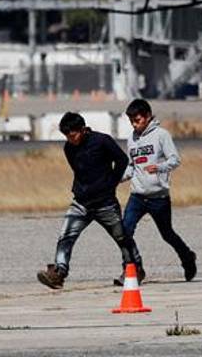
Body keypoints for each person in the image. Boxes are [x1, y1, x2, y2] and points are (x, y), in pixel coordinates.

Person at [37, 112, 140, 289]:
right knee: (66, 237)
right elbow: (78, 171)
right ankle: (59, 273)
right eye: (66, 136)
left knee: (122, 237)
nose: (70, 139)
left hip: (105, 203)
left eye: (72, 135)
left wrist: (111, 182)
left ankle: (134, 269)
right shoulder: (68, 148)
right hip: (81, 203)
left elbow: (122, 160)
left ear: (83, 130)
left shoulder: (102, 141)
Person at [118, 98, 197, 285]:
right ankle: (132, 269)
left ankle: (187, 258)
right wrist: (116, 178)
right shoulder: (132, 139)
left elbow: (175, 160)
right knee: (124, 232)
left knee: (167, 234)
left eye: (137, 120)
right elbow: (132, 167)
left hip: (158, 197)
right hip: (137, 196)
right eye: (131, 121)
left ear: (147, 116)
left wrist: (159, 167)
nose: (134, 125)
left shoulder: (162, 135)